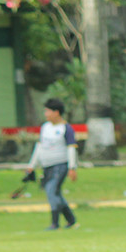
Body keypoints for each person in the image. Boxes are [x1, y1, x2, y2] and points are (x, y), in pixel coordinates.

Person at [27, 98, 79, 230]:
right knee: (55, 193)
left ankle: (55, 223)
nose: (45, 114)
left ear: (56, 112)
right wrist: (32, 165)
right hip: (47, 166)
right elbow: (39, 147)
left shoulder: (66, 128)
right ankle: (71, 220)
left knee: (51, 191)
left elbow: (71, 148)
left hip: (60, 165)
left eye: (47, 111)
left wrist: (72, 167)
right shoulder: (45, 127)